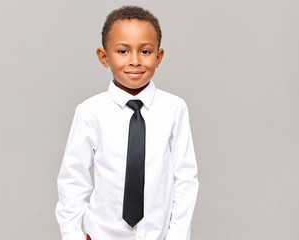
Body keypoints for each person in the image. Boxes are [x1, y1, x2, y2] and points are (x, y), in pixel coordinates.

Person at [55, 5, 199, 240]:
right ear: (104, 57)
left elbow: (185, 178)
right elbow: (73, 179)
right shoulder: (90, 112)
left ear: (159, 56)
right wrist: (73, 235)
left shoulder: (174, 109)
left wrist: (177, 236)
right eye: (123, 51)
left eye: (145, 51)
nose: (134, 61)